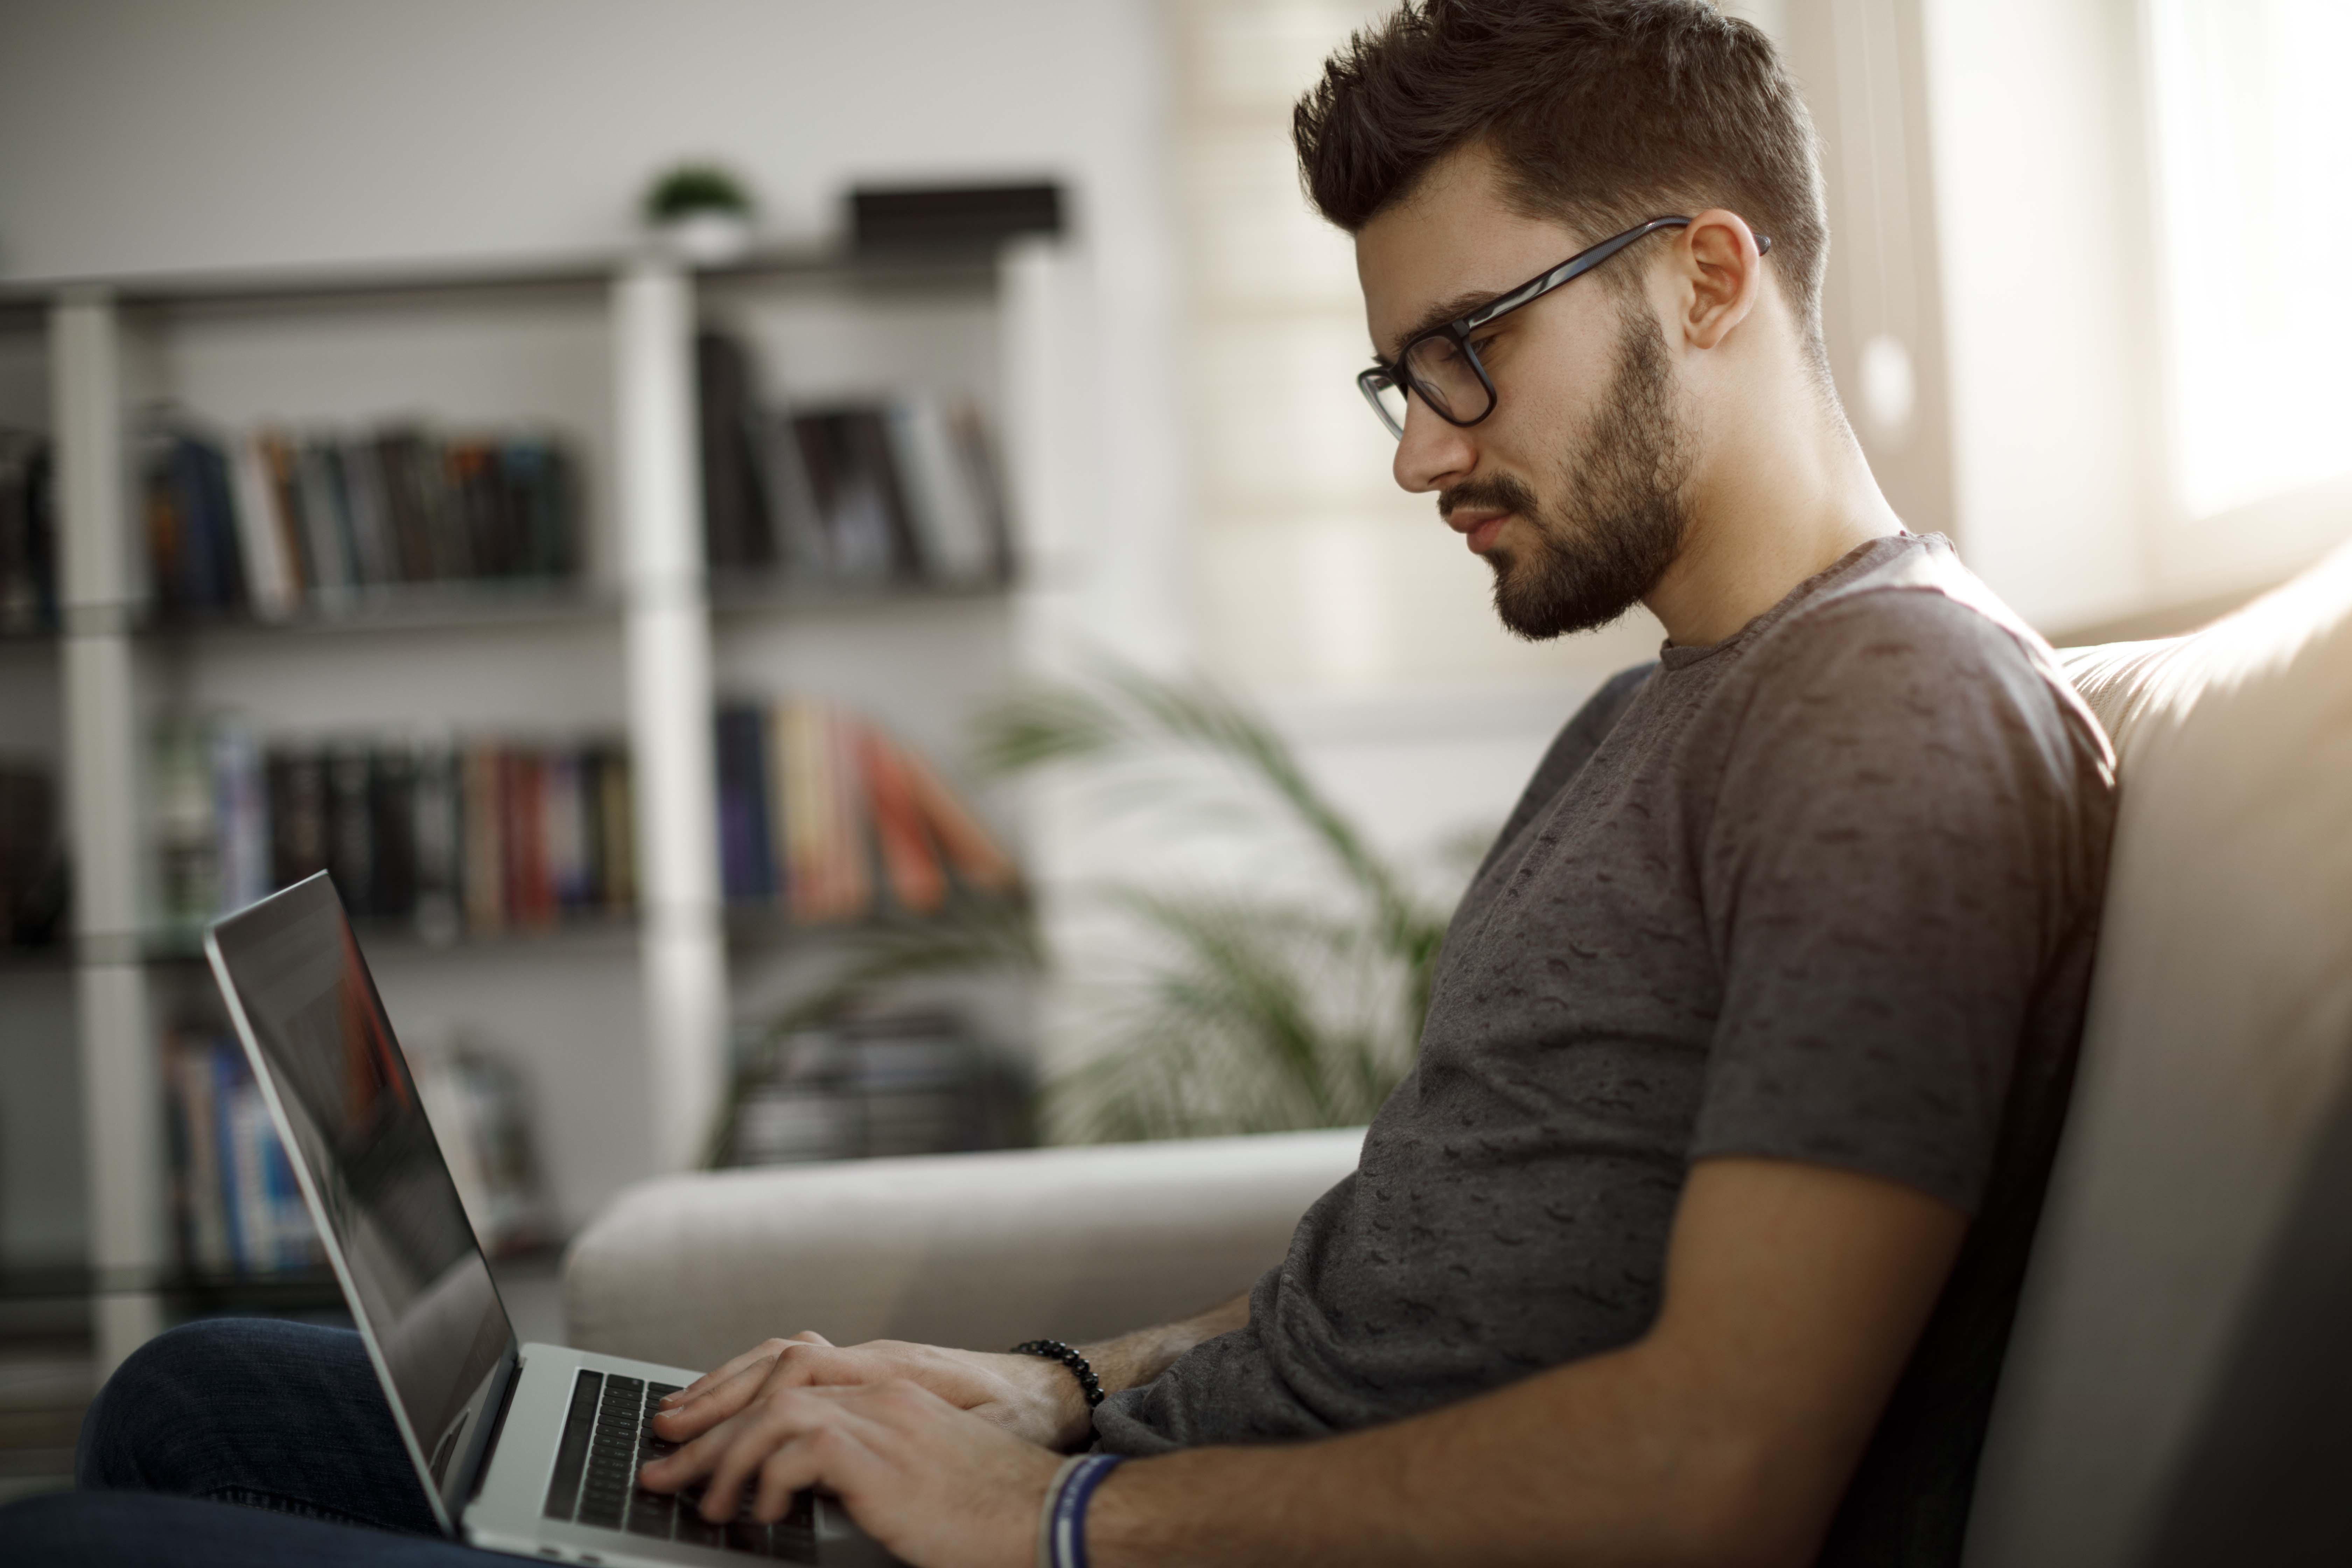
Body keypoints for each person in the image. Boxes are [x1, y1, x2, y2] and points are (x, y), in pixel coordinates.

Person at [12, 2, 2114, 1565]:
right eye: (1400, 376)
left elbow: (1714, 1479)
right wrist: (1041, 1385)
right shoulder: (1659, 710)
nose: (1417, 449)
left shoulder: (1895, 727)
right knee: (187, 1392)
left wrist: (1058, 1516)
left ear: (1709, 277)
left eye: (1471, 347)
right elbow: (1419, 1262)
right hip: (1103, 1497)